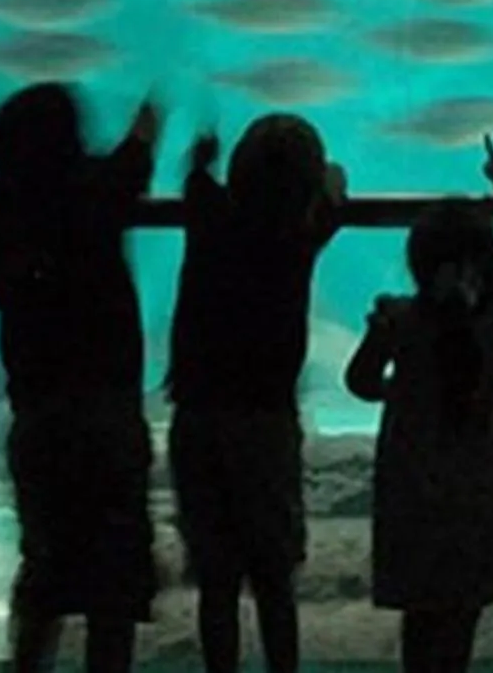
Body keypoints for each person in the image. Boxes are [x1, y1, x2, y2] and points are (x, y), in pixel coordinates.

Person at [0, 83, 163, 673]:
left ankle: (28, 664)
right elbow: (139, 150)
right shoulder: (99, 187)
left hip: (40, 414)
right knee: (114, 576)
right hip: (110, 413)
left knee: (44, 562)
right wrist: (150, 118)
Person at [345, 137, 493, 673]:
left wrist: (402, 393)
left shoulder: (400, 321)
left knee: (421, 615)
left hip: (416, 496)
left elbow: (359, 381)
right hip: (482, 495)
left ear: (416, 261)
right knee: (462, 616)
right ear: (488, 261)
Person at [165, 111, 349, 673]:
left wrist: (203, 157)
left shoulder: (208, 216)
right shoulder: (299, 235)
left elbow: (196, 178)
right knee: (273, 575)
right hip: (265, 419)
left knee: (216, 576)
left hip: (196, 416)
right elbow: (337, 188)